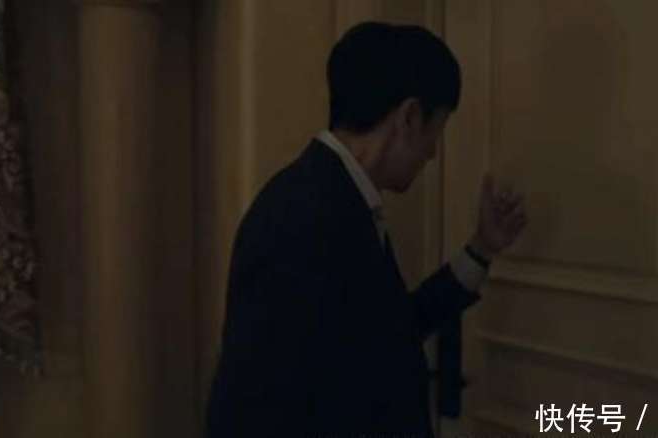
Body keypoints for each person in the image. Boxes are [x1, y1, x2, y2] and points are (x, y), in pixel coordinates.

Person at [205, 21, 527, 438]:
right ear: (409, 117)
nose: (432, 153)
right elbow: (252, 407)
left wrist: (480, 249)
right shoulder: (305, 215)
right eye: (436, 131)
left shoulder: (336, 199)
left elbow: (387, 335)